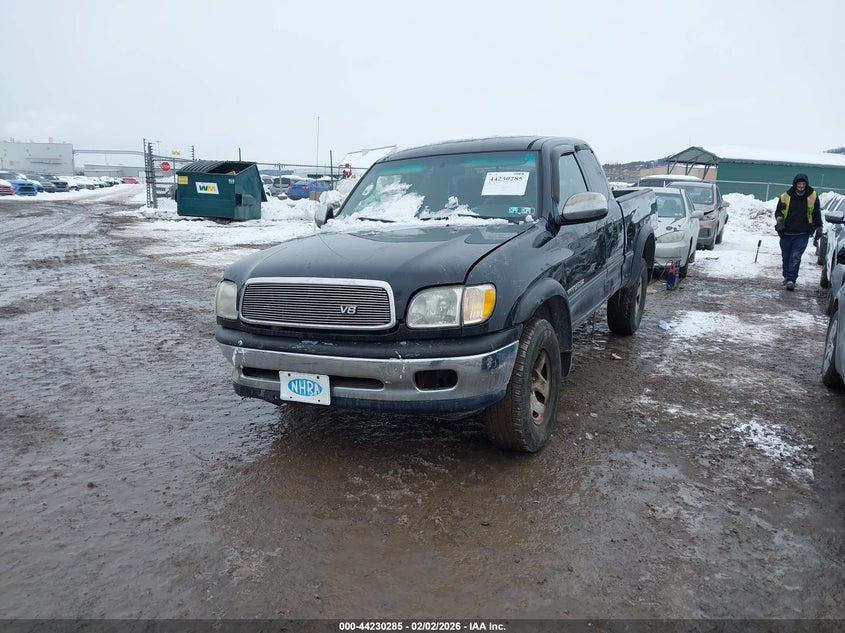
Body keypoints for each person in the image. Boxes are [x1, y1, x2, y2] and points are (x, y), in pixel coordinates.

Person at [774, 173, 822, 291]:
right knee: (786, 256)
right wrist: (779, 220)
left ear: (806, 184)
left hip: (803, 232)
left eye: (803, 184)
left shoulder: (812, 196)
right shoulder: (785, 196)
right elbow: (778, 212)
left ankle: (791, 280)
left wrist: (819, 227)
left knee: (795, 256)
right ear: (795, 184)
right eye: (799, 184)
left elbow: (816, 213)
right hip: (786, 232)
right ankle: (786, 275)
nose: (801, 186)